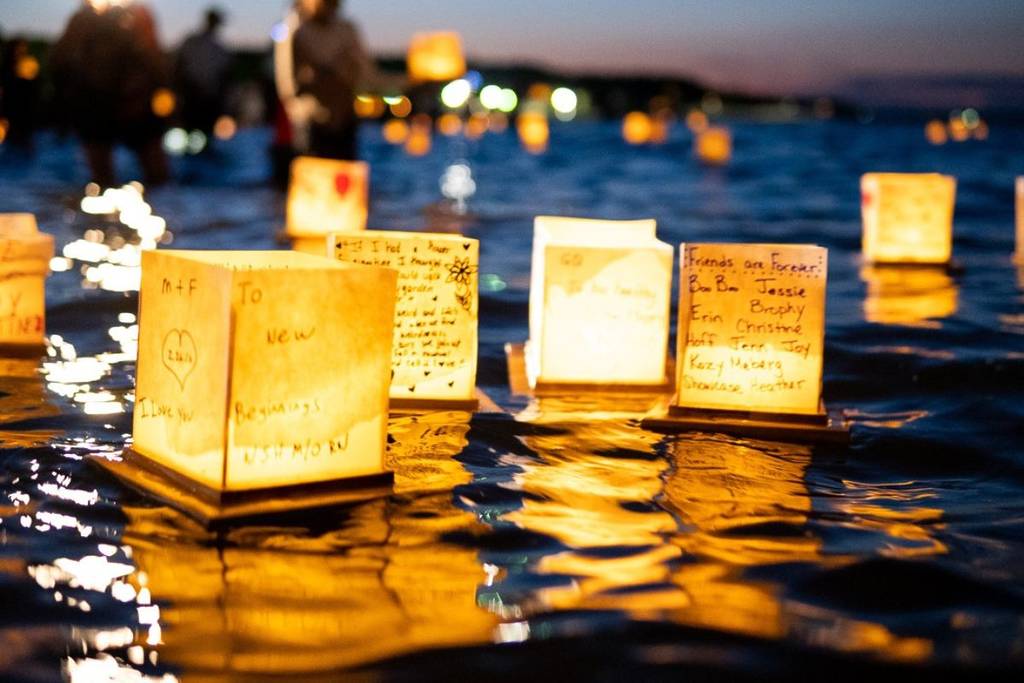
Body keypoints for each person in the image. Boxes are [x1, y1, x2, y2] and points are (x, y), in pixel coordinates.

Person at [50, 1, 170, 187]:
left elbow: (154, 58)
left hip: (135, 103)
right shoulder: (83, 20)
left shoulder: (138, 15)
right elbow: (61, 60)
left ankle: (162, 200)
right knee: (102, 178)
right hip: (96, 103)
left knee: (158, 176)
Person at [289, 0, 373, 160]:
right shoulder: (298, 32)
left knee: (344, 170)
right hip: (312, 122)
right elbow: (290, 86)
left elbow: (364, 71)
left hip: (345, 120)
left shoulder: (347, 30)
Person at [175, 8, 231, 141]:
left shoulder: (219, 48)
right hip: (191, 97)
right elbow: (179, 65)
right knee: (190, 131)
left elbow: (225, 75)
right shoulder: (193, 42)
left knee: (205, 134)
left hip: (209, 100)